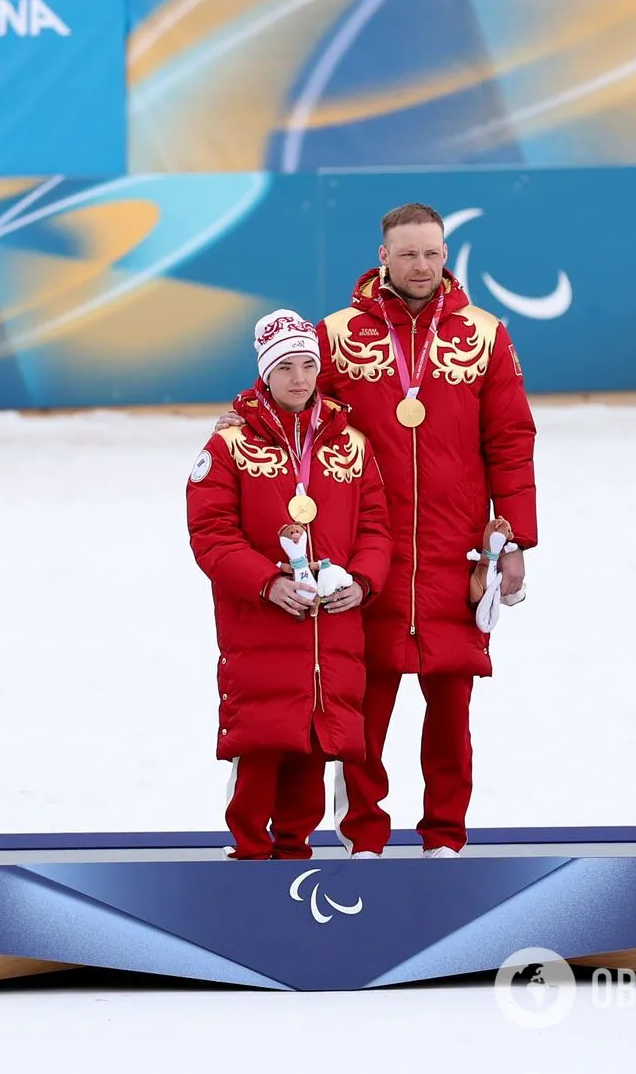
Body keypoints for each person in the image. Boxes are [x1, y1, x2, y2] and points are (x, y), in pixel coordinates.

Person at [313, 203, 536, 857]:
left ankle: (445, 837)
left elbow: (510, 440)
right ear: (382, 256)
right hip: (367, 556)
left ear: (446, 255)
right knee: (363, 705)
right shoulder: (334, 337)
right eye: (408, 253)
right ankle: (364, 836)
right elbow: (312, 443)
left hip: (455, 553)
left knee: (451, 710)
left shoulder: (485, 335)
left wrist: (515, 538)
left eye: (433, 253)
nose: (421, 265)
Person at [187, 311, 392, 859]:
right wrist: (265, 583)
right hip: (262, 625)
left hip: (333, 631)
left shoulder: (352, 444)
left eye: (307, 365)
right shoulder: (228, 445)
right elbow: (210, 533)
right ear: (265, 375)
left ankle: (296, 850)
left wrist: (365, 580)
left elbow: (375, 524)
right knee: (261, 741)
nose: (299, 378)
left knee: (314, 744)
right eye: (285, 368)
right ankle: (250, 853)